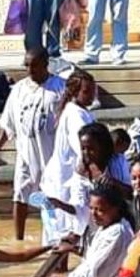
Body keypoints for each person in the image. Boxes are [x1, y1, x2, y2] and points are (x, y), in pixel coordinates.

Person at [0, 47, 65, 240]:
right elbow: (8, 122)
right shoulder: (19, 89)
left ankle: (54, 238)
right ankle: (19, 239)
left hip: (51, 155)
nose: (30, 70)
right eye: (27, 65)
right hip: (25, 153)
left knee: (52, 198)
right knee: (20, 194)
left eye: (34, 65)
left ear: (45, 65)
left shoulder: (60, 88)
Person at [39, 184, 140, 277]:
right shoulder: (109, 226)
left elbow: (92, 270)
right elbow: (97, 255)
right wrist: (72, 249)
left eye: (100, 210)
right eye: (91, 208)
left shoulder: (118, 232)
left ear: (116, 209)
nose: (94, 214)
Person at [39, 70, 97, 240]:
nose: (91, 95)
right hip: (63, 180)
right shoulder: (75, 115)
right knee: (63, 233)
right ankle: (59, 267)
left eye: (93, 91)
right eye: (87, 92)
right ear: (74, 92)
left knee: (69, 229)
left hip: (65, 178)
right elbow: (83, 149)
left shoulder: (80, 111)